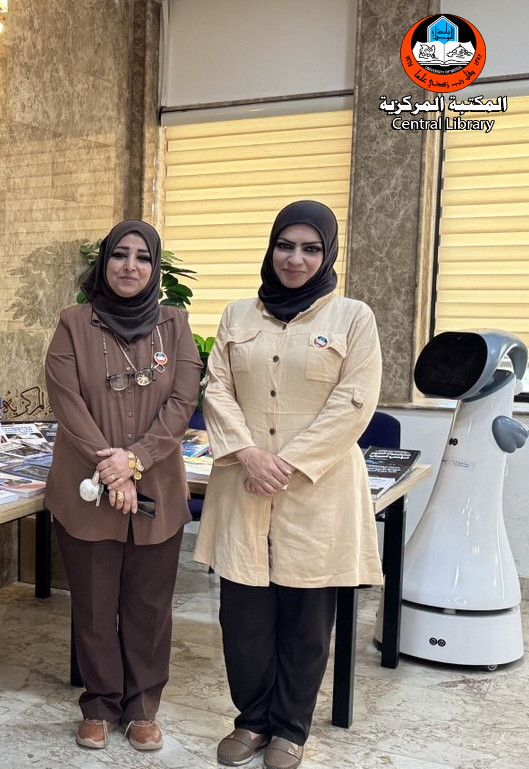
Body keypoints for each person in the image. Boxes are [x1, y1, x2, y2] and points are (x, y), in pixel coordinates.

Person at [194, 200, 383, 769]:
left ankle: (291, 729)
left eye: (310, 248)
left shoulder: (352, 317)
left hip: (317, 489)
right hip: (244, 480)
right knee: (243, 618)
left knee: (307, 620)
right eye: (285, 245)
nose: (295, 258)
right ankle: (251, 720)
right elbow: (216, 389)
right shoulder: (237, 315)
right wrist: (249, 454)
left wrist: (290, 462)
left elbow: (355, 401)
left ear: (328, 254)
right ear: (271, 248)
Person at [44, 219, 202, 752]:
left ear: (154, 268)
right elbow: (66, 401)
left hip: (157, 486)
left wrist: (134, 461)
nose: (130, 266)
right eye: (120, 255)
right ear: (104, 262)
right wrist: (113, 467)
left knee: (149, 607)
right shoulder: (73, 323)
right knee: (93, 605)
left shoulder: (175, 325)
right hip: (87, 487)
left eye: (142, 257)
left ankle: (141, 708)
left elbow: (182, 402)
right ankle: (99, 704)